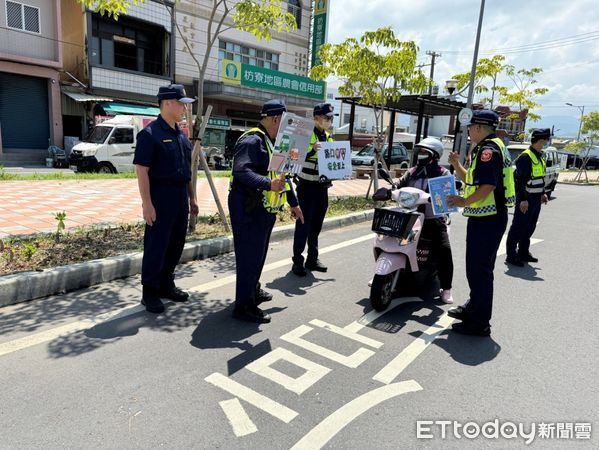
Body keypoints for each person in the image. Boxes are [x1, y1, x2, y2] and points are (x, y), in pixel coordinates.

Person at [229, 99, 304, 324]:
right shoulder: (252, 141)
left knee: (258, 255)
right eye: (286, 121)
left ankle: (253, 290)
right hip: (247, 208)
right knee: (249, 257)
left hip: (264, 208)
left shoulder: (275, 143)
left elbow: (284, 177)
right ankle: (244, 307)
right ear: (275, 119)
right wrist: (268, 184)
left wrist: (293, 203)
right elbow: (241, 171)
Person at [446, 109, 516, 336]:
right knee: (476, 270)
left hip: (488, 220)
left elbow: (488, 186)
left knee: (480, 271)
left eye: (469, 128)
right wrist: (457, 165)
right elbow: (473, 179)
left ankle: (479, 323)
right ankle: (473, 307)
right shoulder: (495, 145)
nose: (468, 132)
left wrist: (464, 201)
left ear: (477, 127)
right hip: (485, 218)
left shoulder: (488, 150)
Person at [133, 84, 199, 313]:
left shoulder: (180, 136)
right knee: (156, 245)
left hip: (180, 196)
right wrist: (147, 203)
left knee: (175, 244)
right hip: (160, 197)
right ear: (167, 103)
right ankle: (149, 291)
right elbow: (141, 170)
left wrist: (192, 199)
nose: (184, 108)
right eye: (181, 103)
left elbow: (186, 171)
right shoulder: (150, 134)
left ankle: (166, 284)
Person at [395, 137, 455, 303]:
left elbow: (448, 196)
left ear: (434, 155)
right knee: (389, 238)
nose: (420, 155)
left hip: (432, 220)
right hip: (410, 217)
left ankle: (447, 287)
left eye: (424, 152)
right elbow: (399, 185)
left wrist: (441, 198)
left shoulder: (443, 173)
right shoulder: (412, 171)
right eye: (419, 151)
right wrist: (389, 190)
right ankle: (384, 271)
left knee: (444, 249)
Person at [291, 102, 336, 276]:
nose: (329, 121)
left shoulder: (328, 137)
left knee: (316, 226)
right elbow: (293, 156)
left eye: (331, 118)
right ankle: (297, 261)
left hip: (322, 188)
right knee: (303, 225)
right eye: (326, 118)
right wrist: (311, 150)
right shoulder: (304, 134)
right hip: (306, 187)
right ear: (316, 118)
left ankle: (312, 259)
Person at [505, 128, 550, 266]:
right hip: (526, 197)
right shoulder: (526, 157)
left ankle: (523, 252)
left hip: (536, 198)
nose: (547, 142)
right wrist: (523, 199)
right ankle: (511, 255)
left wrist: (542, 193)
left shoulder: (540, 156)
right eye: (547, 140)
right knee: (518, 226)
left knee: (530, 226)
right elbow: (521, 180)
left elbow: (539, 177)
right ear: (541, 140)